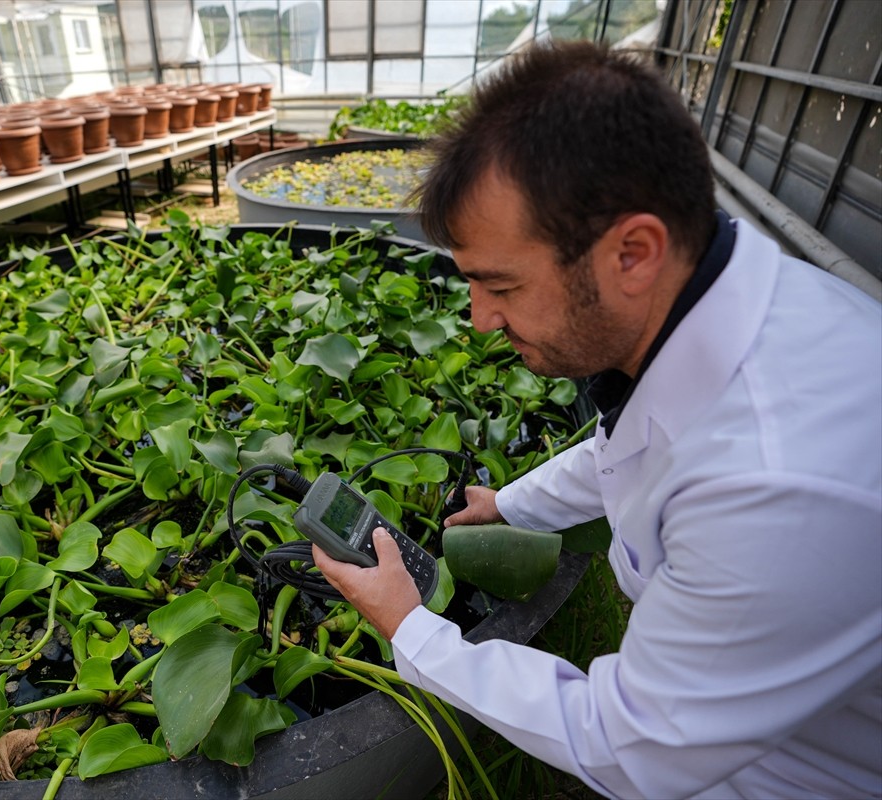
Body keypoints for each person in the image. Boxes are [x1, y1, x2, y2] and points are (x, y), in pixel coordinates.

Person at [314, 41, 881, 799]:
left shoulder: (776, 490)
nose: (481, 320)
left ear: (633, 253)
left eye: (502, 286)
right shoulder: (722, 300)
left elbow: (629, 744)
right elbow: (637, 441)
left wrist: (413, 628)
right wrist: (509, 504)